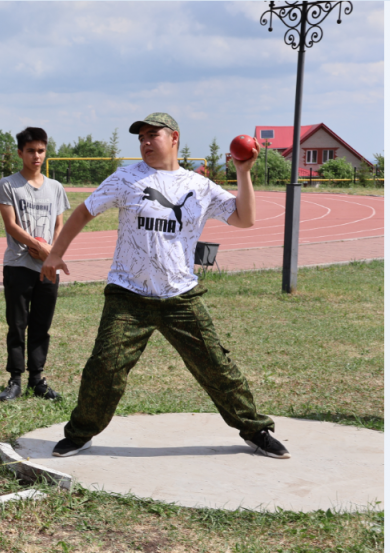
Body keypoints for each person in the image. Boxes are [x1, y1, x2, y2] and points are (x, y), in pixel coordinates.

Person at [41, 112, 291, 459]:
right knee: (105, 367)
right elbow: (84, 211)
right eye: (140, 137)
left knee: (217, 366)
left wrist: (243, 173)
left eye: (152, 135)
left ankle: (255, 429)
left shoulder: (198, 186)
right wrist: (55, 254)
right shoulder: (126, 178)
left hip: (180, 295)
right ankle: (81, 433)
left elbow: (244, 218)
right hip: (128, 293)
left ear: (174, 138)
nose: (145, 142)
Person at [0, 127, 71, 402]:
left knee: (41, 325)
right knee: (17, 324)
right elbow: (11, 225)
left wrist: (52, 253)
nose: (36, 156)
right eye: (30, 151)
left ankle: (37, 380)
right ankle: (15, 379)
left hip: (48, 268)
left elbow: (59, 225)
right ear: (20, 153)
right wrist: (39, 247)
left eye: (41, 150)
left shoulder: (56, 188)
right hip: (18, 265)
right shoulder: (8, 185)